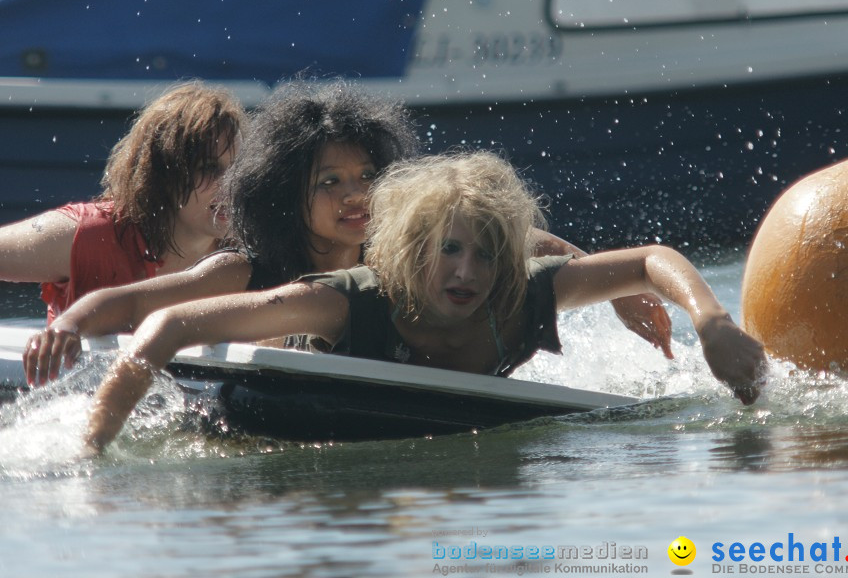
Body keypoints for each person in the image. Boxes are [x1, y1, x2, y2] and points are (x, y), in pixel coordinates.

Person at [81, 151, 766, 454]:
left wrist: (711, 325)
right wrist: (96, 445)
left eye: (487, 253)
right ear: (411, 255)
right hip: (285, 416)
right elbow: (170, 324)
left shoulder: (523, 293)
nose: (468, 272)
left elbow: (653, 259)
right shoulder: (347, 304)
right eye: (448, 251)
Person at [23, 80, 673, 385]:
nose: (355, 195)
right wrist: (70, 324)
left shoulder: (406, 255)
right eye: (329, 182)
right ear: (286, 193)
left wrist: (617, 290)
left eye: (366, 177)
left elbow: (531, 247)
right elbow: (135, 306)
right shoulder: (246, 273)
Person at [0, 80, 245, 323]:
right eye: (209, 168)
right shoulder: (89, 237)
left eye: (238, 169)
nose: (230, 184)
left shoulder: (250, 255)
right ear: (164, 174)